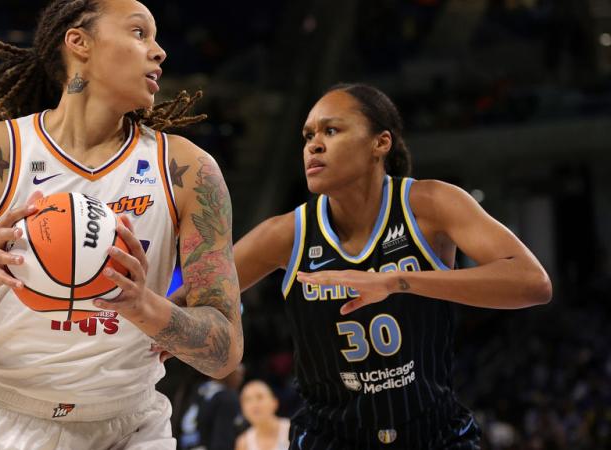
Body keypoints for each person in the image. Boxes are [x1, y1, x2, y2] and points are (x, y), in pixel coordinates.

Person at [0, 1, 242, 449]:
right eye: (139, 33)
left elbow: (224, 353)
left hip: (129, 426)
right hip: (2, 420)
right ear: (79, 42)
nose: (159, 51)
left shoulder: (188, 171)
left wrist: (143, 306)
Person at [170, 83, 552, 449]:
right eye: (307, 136)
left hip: (434, 433)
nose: (314, 144)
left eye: (331, 130)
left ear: (380, 143)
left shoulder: (431, 205)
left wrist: (396, 281)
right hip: (330, 438)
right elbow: (188, 300)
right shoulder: (286, 234)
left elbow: (532, 281)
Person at [179, 364, 245, 450]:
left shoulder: (203, 389)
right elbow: (222, 436)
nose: (240, 378)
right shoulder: (226, 397)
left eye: (241, 374)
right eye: (238, 374)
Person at [235, 380, 290, 450]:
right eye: (247, 400)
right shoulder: (243, 443)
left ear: (275, 402)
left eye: (260, 397)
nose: (254, 404)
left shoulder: (292, 429)